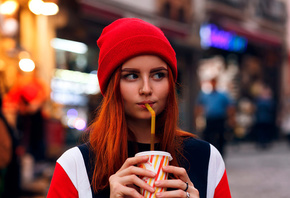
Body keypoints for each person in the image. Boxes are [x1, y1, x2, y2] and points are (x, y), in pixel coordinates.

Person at [47, 18, 231, 198]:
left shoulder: (206, 159)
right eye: (132, 76)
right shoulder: (76, 166)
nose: (146, 89)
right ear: (112, 86)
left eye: (158, 75)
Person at [195, 78, 235, 156]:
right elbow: (199, 106)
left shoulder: (222, 95)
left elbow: (230, 107)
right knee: (207, 137)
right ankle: (210, 154)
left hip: (220, 119)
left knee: (220, 138)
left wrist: (231, 118)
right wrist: (197, 118)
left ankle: (220, 155)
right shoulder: (205, 95)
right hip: (210, 119)